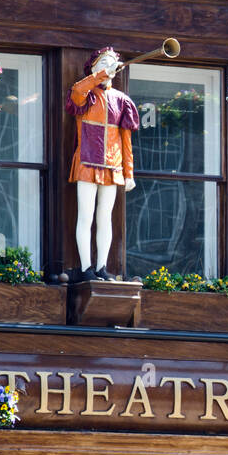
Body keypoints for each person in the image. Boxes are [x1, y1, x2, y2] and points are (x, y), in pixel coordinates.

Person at [67, 47, 139, 280]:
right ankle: (86, 267)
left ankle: (101, 268)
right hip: (87, 161)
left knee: (105, 217)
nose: (107, 67)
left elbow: (126, 141)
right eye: (102, 62)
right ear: (93, 67)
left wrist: (129, 173)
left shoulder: (123, 101)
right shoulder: (85, 94)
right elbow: (77, 90)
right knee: (85, 215)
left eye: (111, 64)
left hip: (112, 166)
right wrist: (99, 75)